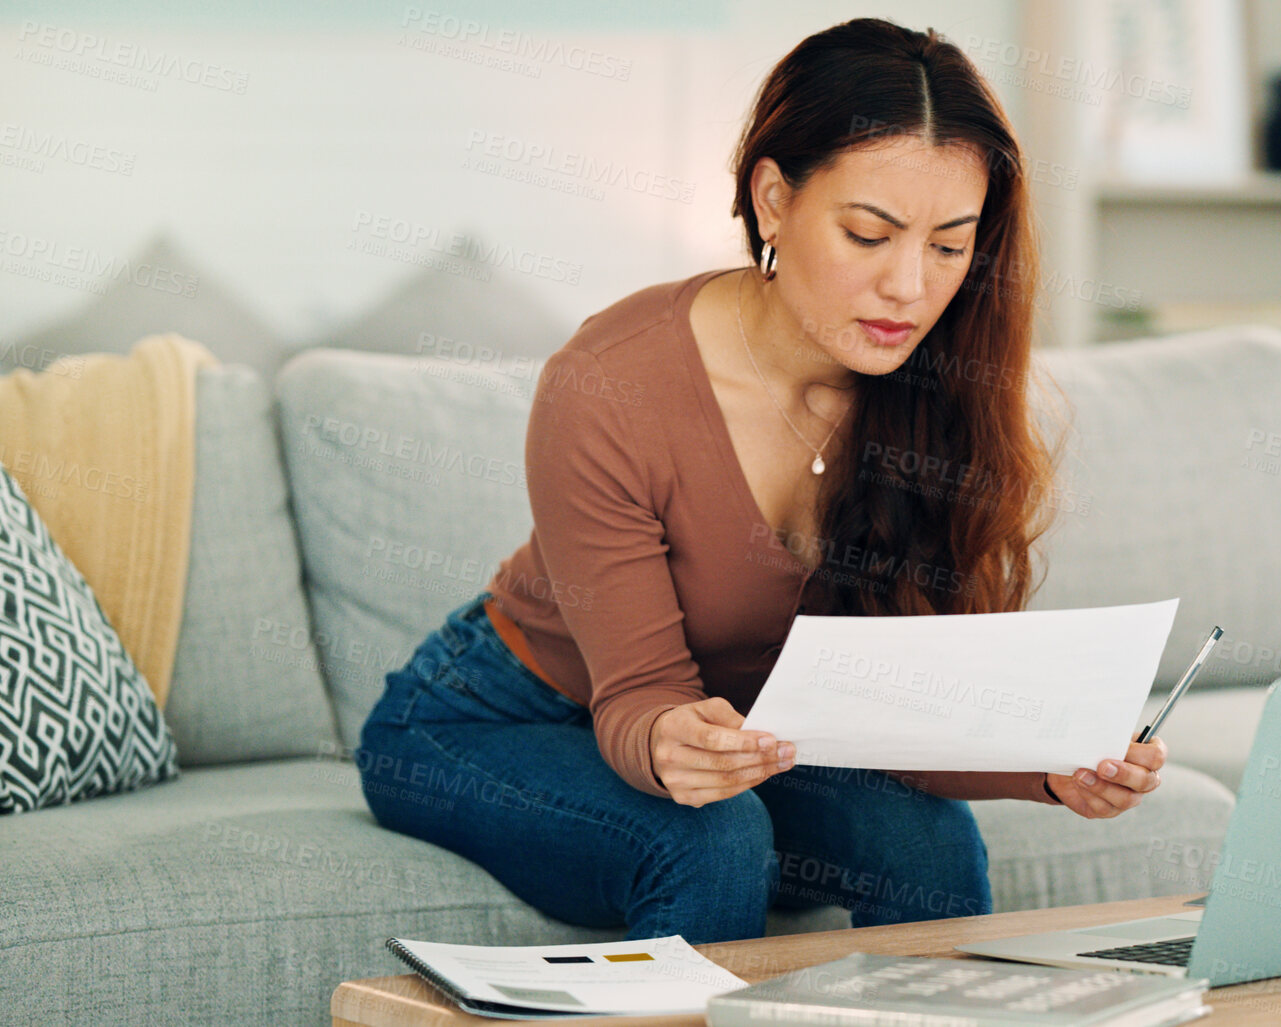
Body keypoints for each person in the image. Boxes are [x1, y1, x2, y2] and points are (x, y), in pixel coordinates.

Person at [356, 17, 1168, 944]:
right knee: (713, 840)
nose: (910, 286)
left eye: (949, 246)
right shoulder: (609, 382)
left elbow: (915, 704)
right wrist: (670, 742)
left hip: (747, 731)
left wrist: (1056, 766)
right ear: (773, 199)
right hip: (493, 717)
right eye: (869, 234)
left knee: (928, 842)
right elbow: (638, 698)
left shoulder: (939, 387)